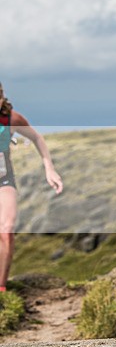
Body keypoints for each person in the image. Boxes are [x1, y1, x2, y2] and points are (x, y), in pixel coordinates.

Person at [0, 82, 63, 293]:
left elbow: (36, 137)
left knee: (7, 230)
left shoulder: (11, 119)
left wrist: (49, 169)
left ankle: (0, 286)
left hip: (4, 180)